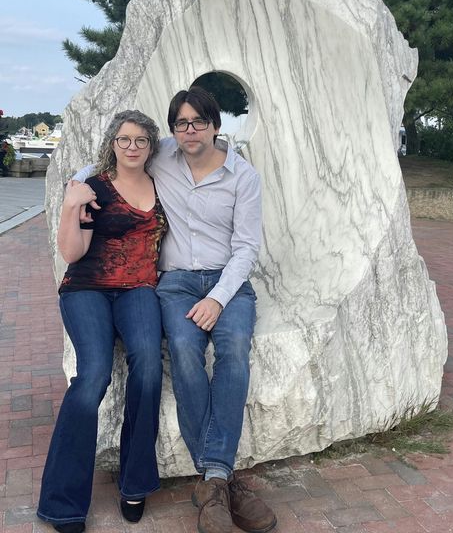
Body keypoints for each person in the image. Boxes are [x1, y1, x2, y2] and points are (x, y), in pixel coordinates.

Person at [75, 87, 276, 533]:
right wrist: (76, 180)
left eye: (199, 122)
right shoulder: (162, 155)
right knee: (184, 349)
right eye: (182, 123)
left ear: (216, 126)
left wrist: (218, 297)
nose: (190, 130)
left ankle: (213, 479)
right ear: (172, 130)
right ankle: (224, 481)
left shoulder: (243, 175)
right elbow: (113, 158)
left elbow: (246, 248)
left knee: (234, 348)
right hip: (175, 284)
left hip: (228, 281)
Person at [37, 111, 168, 533]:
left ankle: (135, 483)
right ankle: (62, 503)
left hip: (139, 290)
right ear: (113, 142)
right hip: (88, 288)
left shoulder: (161, 186)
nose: (132, 147)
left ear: (151, 147)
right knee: (93, 375)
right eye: (125, 139)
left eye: (141, 141)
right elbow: (73, 253)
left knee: (147, 364)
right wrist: (69, 207)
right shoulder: (92, 186)